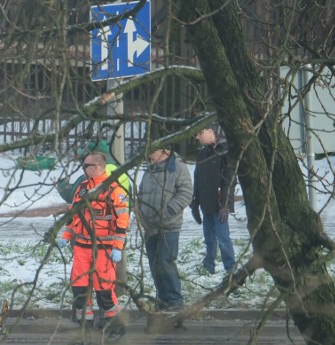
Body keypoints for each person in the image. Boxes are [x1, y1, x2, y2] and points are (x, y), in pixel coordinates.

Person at [57, 151, 129, 333]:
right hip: (82, 246)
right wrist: (66, 236)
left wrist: (118, 247)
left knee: (104, 288)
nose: (83, 168)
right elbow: (73, 214)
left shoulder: (114, 190)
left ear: (96, 167)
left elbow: (122, 221)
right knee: (79, 287)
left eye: (86, 166)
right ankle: (84, 323)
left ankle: (115, 324)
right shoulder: (82, 188)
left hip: (104, 248)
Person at [136, 147, 193, 312]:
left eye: (152, 151)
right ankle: (162, 298)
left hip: (169, 225)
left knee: (164, 261)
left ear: (164, 151)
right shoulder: (150, 168)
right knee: (154, 262)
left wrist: (168, 211)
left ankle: (174, 299)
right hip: (150, 225)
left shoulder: (178, 167)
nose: (149, 155)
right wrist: (141, 213)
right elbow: (142, 193)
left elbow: (186, 193)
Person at [191, 124, 236, 274]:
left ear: (211, 131)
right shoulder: (202, 154)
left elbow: (229, 181)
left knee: (223, 239)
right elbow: (197, 181)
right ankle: (208, 266)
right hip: (206, 204)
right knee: (209, 238)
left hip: (219, 205)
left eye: (200, 133)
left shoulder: (224, 152)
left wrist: (225, 205)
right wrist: (194, 204)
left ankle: (230, 269)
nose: (197, 137)